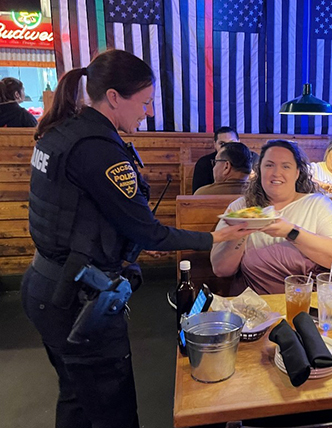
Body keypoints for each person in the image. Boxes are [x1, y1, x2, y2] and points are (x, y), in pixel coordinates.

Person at [22, 49, 251, 428]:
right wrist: (216, 236)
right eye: (144, 102)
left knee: (77, 397)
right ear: (113, 97)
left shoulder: (62, 131)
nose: (148, 112)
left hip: (46, 285)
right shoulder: (97, 149)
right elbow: (147, 231)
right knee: (113, 409)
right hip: (78, 299)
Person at [211, 139, 332, 295]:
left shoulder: (317, 204)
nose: (276, 173)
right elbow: (221, 269)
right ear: (259, 171)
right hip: (259, 306)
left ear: (297, 172)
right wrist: (242, 230)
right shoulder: (240, 209)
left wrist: (291, 232)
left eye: (286, 166)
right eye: (269, 165)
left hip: (311, 302)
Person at [191, 126, 240, 193]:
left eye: (231, 143)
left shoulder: (250, 159)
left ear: (239, 142)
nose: (227, 147)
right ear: (215, 144)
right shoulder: (204, 163)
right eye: (222, 144)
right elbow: (197, 193)